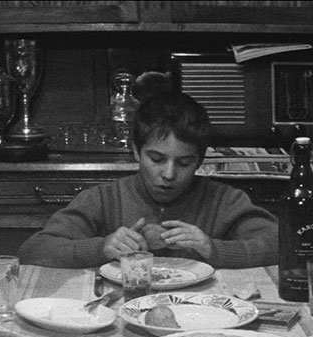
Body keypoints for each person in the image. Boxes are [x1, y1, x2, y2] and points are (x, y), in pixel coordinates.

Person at [17, 92, 278, 268]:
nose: (168, 174)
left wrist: (213, 249)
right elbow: (33, 251)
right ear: (136, 152)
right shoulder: (104, 198)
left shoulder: (225, 200)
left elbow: (284, 246)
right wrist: (101, 248)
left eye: (184, 163)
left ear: (200, 160)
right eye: (156, 159)